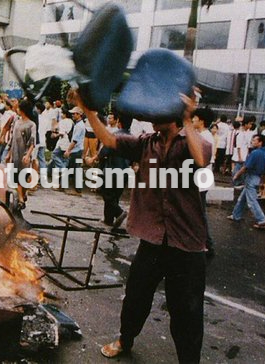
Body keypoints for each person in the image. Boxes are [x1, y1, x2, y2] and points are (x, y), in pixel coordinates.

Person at [83, 90, 211, 362]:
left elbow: (200, 159)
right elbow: (108, 139)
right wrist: (88, 110)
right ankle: (125, 339)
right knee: (135, 298)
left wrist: (189, 118)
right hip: (152, 240)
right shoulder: (145, 143)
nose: (152, 115)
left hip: (186, 245)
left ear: (175, 115)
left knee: (186, 312)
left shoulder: (196, 143)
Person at [86, 112, 129, 228]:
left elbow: (105, 150)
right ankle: (109, 219)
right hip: (125, 171)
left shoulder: (115, 136)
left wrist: (94, 158)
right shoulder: (133, 137)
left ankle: (120, 212)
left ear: (119, 122)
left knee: (106, 194)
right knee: (115, 196)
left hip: (112, 169)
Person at [227, 134, 265, 229]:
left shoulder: (255, 153)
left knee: (252, 201)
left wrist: (236, 175)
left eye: (254, 140)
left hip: (251, 177)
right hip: (258, 178)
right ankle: (236, 215)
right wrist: (262, 181)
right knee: (242, 198)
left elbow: (246, 167)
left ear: (260, 143)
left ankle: (262, 220)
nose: (252, 142)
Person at [192, 107, 217, 257]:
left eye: (194, 118)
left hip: (202, 176)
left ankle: (207, 243)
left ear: (201, 120)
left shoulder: (206, 137)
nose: (193, 120)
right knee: (197, 210)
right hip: (201, 175)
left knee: (200, 211)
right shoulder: (202, 135)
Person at [6, 99, 36, 210]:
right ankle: (21, 200)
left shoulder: (31, 125)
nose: (17, 109)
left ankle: (22, 195)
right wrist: (9, 153)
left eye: (19, 108)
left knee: (24, 177)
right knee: (17, 178)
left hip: (24, 155)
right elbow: (12, 139)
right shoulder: (17, 122)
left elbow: (33, 142)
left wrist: (28, 155)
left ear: (23, 110)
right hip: (15, 154)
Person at [63, 106, 86, 195]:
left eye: (74, 114)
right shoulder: (78, 124)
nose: (72, 115)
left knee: (74, 169)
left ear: (79, 115)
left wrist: (68, 150)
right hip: (78, 150)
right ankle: (68, 186)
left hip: (76, 151)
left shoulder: (79, 126)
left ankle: (77, 189)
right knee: (75, 169)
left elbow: (75, 140)